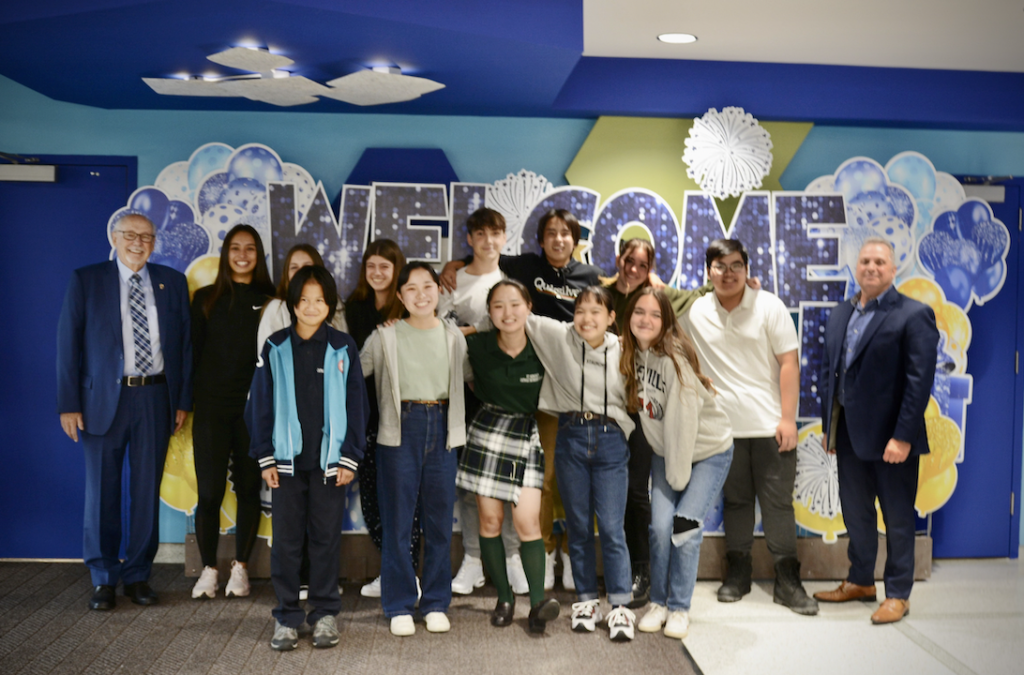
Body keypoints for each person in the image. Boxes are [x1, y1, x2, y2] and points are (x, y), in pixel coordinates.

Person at [441, 209, 604, 591]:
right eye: (551, 233)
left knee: (576, 478)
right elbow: (486, 257)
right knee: (539, 480)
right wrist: (453, 264)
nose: (558, 239)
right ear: (540, 239)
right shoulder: (525, 265)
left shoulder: (590, 276)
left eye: (566, 233)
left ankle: (561, 551)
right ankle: (538, 552)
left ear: (576, 239)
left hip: (578, 387)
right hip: (527, 391)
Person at [56, 212, 192, 611]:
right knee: (102, 492)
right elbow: (68, 345)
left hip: (155, 398)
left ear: (154, 242)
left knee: (146, 492)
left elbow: (184, 346)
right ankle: (103, 578)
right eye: (130, 235)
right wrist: (68, 404)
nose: (138, 242)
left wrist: (182, 400)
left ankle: (137, 575)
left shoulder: (172, 282)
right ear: (113, 237)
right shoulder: (87, 279)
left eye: (146, 236)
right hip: (101, 402)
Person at [681, 238, 816, 614]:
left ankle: (787, 580)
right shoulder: (695, 311)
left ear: (747, 269)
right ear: (709, 271)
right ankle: (737, 574)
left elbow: (789, 364)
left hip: (771, 426)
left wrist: (789, 419)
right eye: (720, 266)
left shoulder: (769, 306)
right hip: (723, 430)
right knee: (736, 503)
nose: (728, 273)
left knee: (777, 505)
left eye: (736, 265)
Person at [814, 237, 938, 625]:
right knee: (856, 514)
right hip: (848, 434)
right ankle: (860, 580)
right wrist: (828, 429)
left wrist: (902, 437)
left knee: (898, 517)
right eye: (865, 260)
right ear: (856, 266)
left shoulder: (913, 314)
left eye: (879, 262)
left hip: (893, 440)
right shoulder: (840, 313)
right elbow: (828, 374)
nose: (871, 267)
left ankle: (898, 594)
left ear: (893, 268)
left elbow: (919, 382)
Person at [248, 265, 369, 651]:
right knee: (285, 542)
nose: (312, 307)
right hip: (285, 465)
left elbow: (357, 406)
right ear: (292, 304)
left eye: (320, 300)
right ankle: (286, 616)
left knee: (324, 540)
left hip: (330, 465)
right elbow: (260, 407)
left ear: (330, 304)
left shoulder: (343, 347)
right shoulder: (275, 347)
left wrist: (350, 456)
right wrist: (265, 457)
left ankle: (324, 614)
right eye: (304, 300)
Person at [519, 286, 637, 641]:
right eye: (581, 310)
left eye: (596, 312)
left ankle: (619, 606)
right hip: (570, 434)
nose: (587, 318)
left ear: (611, 318)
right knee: (579, 526)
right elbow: (515, 313)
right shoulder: (559, 336)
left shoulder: (625, 347)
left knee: (613, 527)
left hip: (611, 438)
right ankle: (586, 601)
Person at [360, 262, 470, 637]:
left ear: (439, 291)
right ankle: (399, 604)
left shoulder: (455, 336)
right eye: (411, 289)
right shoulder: (385, 336)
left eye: (428, 286)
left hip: (442, 429)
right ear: (400, 296)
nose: (421, 295)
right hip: (398, 430)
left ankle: (436, 602)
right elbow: (352, 375)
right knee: (398, 522)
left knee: (439, 522)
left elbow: (472, 377)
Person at [604, 237, 716, 608]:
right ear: (619, 259)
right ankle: (618, 567)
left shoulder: (656, 297)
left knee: (638, 493)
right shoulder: (605, 291)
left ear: (649, 266)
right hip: (609, 410)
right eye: (628, 260)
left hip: (643, 413)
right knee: (615, 494)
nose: (633, 268)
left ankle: (644, 570)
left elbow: (696, 295)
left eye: (642, 263)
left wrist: (727, 282)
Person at [622, 288, 734, 641]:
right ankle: (659, 602)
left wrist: (677, 477)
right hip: (667, 452)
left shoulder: (672, 359)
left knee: (684, 528)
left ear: (666, 321)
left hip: (707, 452)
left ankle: (680, 607)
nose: (645, 320)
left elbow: (683, 425)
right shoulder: (628, 354)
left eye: (655, 314)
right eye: (639, 312)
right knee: (658, 528)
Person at [457, 279, 560, 632]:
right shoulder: (477, 344)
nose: (508, 312)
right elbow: (441, 336)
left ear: (529, 307)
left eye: (515, 304)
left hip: (525, 433)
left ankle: (536, 604)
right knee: (489, 522)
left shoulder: (543, 347)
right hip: (487, 431)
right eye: (498, 305)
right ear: (489, 312)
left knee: (527, 522)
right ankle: (503, 597)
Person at [438, 208, 526, 597]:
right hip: (456, 393)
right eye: (480, 234)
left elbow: (513, 326)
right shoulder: (450, 281)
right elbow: (436, 327)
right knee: (469, 483)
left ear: (505, 238)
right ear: (470, 238)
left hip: (501, 392)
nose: (489, 241)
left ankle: (511, 557)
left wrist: (469, 330)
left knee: (507, 480)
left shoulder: (511, 281)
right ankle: (473, 560)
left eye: (496, 233)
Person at [189, 224, 276, 600]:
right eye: (235, 248)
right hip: (210, 409)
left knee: (248, 490)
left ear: (259, 255)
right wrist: (183, 405)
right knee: (208, 492)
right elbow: (191, 356)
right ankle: (209, 569)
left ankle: (240, 568)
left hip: (252, 410)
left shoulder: (271, 301)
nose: (242, 255)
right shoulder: (205, 299)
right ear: (226, 254)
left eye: (250, 249)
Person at [341, 239, 421, 600]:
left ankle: (407, 573)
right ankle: (392, 568)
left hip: (401, 416)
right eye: (371, 266)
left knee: (404, 498)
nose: (377, 273)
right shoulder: (353, 307)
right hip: (363, 416)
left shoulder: (407, 308)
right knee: (371, 495)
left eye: (385, 267)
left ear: (396, 269)